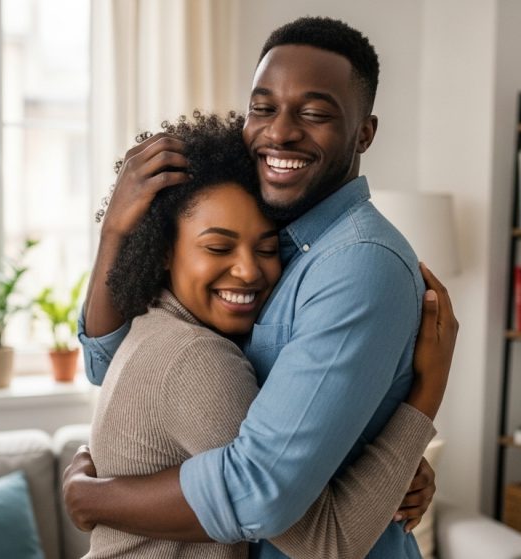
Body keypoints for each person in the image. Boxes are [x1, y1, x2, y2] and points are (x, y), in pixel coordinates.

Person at [66, 16, 459, 558]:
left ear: (364, 133)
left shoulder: (357, 265)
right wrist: (116, 232)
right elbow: (109, 363)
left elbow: (262, 496)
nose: (280, 132)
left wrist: (93, 499)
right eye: (263, 108)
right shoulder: (273, 226)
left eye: (315, 113)